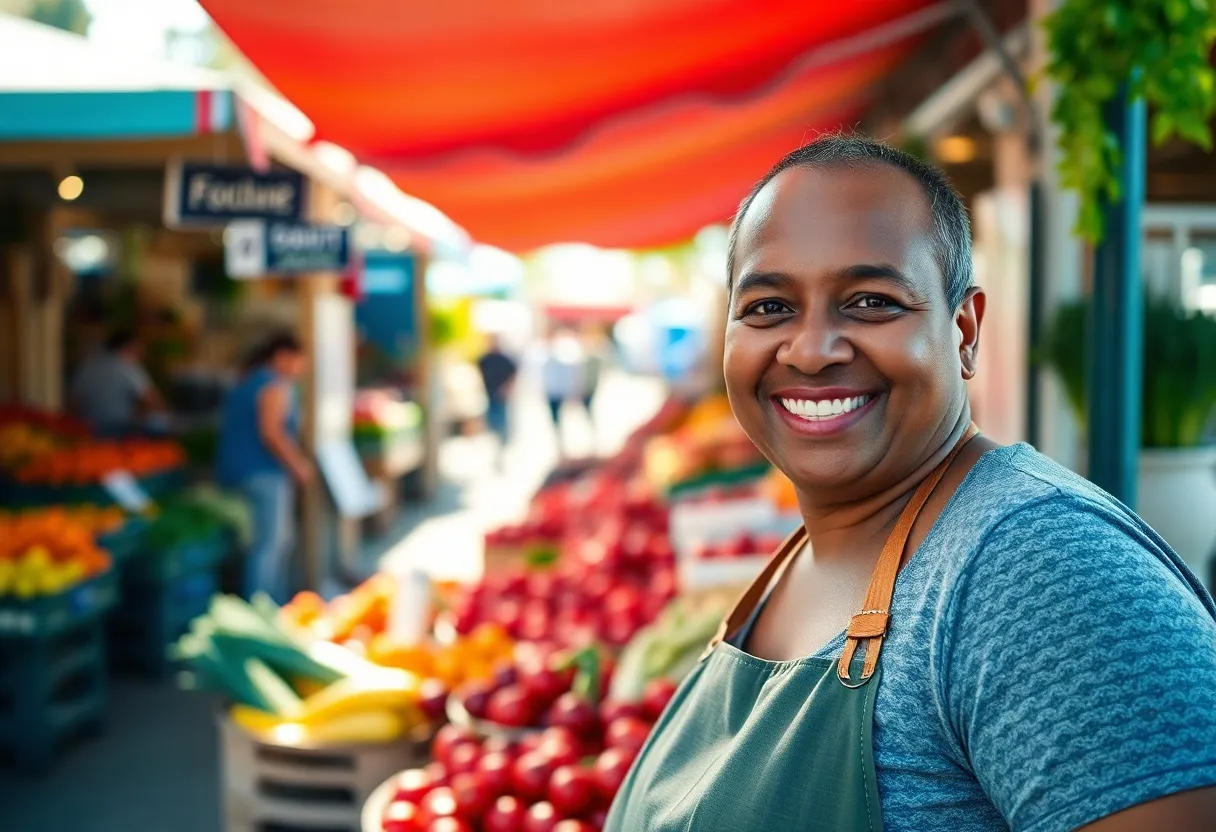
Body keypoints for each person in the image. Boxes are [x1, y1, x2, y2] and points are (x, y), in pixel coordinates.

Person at [606, 135, 1216, 831]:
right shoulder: (802, 553)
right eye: (769, 307)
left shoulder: (1038, 570)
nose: (810, 350)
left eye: (869, 301)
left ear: (963, 330)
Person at [216, 332, 312, 603]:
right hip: (263, 475)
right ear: (282, 356)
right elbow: (272, 432)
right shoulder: (274, 385)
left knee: (259, 544)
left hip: (235, 472)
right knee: (269, 546)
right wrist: (299, 465)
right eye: (298, 361)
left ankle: (265, 605)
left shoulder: (246, 379)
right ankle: (263, 609)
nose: (301, 369)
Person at [69, 327, 165, 438]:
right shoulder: (127, 366)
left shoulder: (88, 365)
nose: (143, 352)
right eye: (140, 346)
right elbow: (152, 400)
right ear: (130, 346)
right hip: (119, 430)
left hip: (88, 430)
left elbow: (73, 402)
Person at [476, 335, 518, 465]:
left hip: (501, 395)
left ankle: (501, 446)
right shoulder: (484, 359)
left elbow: (513, 374)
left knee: (502, 422)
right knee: (492, 422)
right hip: (488, 394)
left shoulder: (504, 359)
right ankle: (496, 444)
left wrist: (507, 389)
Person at [541, 329, 583, 457]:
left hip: (558, 391)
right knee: (555, 419)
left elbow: (569, 376)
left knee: (563, 418)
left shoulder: (563, 356)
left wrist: (572, 391)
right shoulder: (545, 357)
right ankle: (560, 442)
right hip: (552, 391)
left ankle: (565, 443)